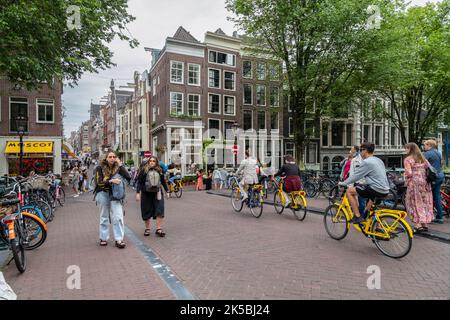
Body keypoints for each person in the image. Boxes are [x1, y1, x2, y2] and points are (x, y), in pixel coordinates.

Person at [339, 142, 390, 224]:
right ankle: (374, 225)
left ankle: (357, 216)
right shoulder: (379, 160)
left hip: (375, 189)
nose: (360, 153)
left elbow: (356, 176)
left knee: (349, 191)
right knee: (370, 207)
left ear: (365, 151)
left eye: (361, 150)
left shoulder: (367, 162)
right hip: (385, 189)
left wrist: (343, 183)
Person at [93, 150, 131, 248]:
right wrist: (111, 181)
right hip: (103, 193)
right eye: (110, 157)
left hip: (116, 194)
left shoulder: (118, 168)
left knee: (118, 217)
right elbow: (99, 183)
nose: (112, 158)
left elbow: (128, 177)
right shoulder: (99, 168)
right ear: (106, 158)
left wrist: (120, 164)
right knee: (104, 217)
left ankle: (119, 239)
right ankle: (103, 237)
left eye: (114, 156)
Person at [135, 156, 169, 237]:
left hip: (157, 193)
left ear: (156, 162)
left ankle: (159, 229)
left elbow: (163, 181)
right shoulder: (144, 170)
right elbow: (139, 182)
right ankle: (147, 228)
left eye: (154, 161)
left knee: (159, 209)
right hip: (146, 192)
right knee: (146, 210)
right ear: (148, 162)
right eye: (150, 161)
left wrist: (167, 191)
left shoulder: (159, 170)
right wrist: (137, 193)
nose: (152, 162)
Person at [404, 142, 434, 233]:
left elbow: (409, 173)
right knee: (425, 202)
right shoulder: (422, 157)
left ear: (411, 149)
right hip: (425, 182)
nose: (405, 150)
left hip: (414, 183)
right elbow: (428, 167)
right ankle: (424, 224)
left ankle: (418, 225)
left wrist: (405, 175)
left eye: (406, 148)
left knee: (415, 203)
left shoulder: (408, 159)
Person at [424, 140, 445, 224]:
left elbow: (421, 164)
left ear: (429, 145)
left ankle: (429, 216)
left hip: (433, 178)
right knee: (436, 197)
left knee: (428, 197)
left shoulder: (427, 154)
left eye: (424, 145)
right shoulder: (438, 153)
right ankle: (439, 216)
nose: (424, 147)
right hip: (440, 175)